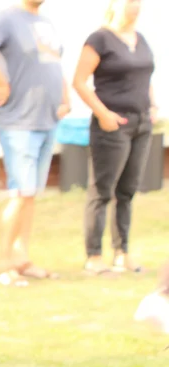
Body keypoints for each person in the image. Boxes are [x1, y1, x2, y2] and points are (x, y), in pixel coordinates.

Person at [0, 0, 70, 286]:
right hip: (19, 122)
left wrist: (65, 97)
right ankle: (3, 265)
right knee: (20, 191)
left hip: (47, 120)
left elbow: (54, 63)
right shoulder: (7, 19)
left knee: (31, 193)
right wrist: (1, 83)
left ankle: (21, 259)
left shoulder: (46, 22)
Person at [73, 0, 158, 275]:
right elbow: (80, 81)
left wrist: (153, 106)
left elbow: (145, 77)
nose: (134, 7)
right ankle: (94, 256)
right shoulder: (99, 39)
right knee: (102, 191)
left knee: (127, 191)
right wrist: (103, 114)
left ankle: (122, 252)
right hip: (113, 125)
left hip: (142, 124)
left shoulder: (140, 38)